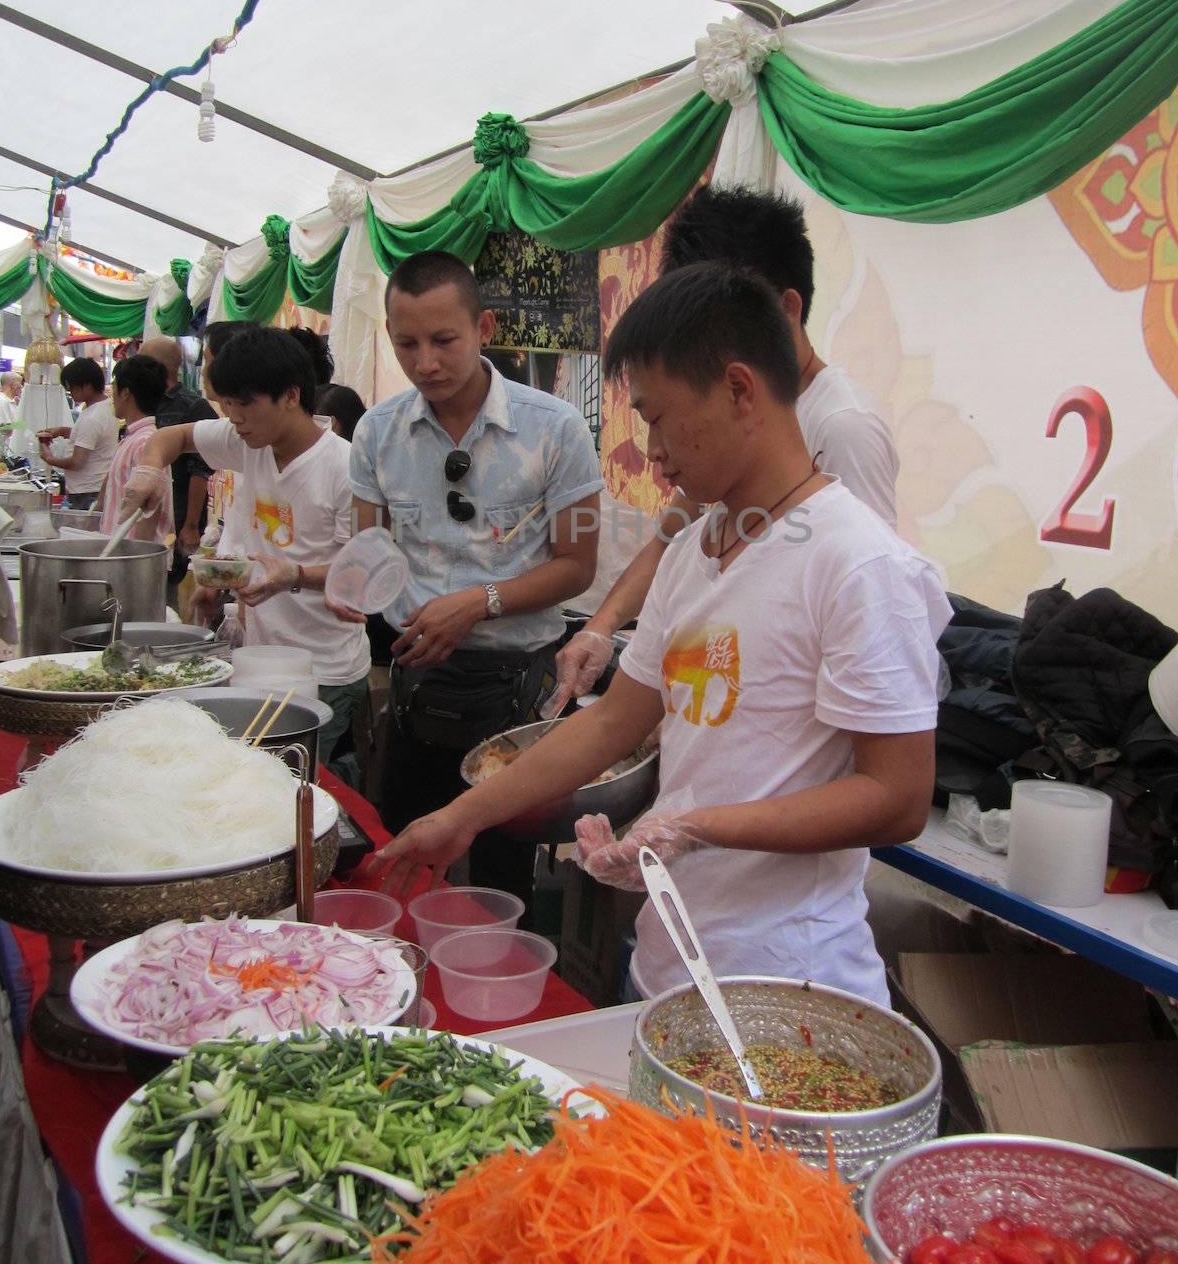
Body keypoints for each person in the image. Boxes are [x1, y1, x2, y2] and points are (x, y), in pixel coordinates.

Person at [374, 261, 950, 1006]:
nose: (650, 449)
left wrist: (696, 825)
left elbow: (898, 797)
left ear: (740, 390)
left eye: (656, 415)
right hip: (667, 964)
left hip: (790, 984)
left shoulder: (859, 564)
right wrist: (460, 819)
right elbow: (615, 720)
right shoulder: (695, 550)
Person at [553, 182, 901, 708]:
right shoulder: (719, 434)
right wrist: (602, 626)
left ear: (785, 310)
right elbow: (675, 533)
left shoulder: (842, 427)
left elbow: (867, 609)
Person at [347, 251, 602, 913]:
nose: (425, 362)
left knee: (496, 885)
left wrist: (477, 602)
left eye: (444, 340)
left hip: (516, 690)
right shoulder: (377, 434)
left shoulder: (554, 430)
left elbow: (578, 565)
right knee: (404, 861)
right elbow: (369, 549)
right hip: (419, 682)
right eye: (406, 344)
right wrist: (353, 585)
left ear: (484, 327)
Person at [117, 326, 371, 762]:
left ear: (290, 396)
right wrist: (149, 470)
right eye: (226, 404)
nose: (233, 417)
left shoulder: (344, 468)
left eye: (243, 404)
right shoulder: (249, 441)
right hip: (257, 660)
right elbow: (170, 437)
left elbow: (363, 572)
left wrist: (293, 576)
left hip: (324, 667)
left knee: (297, 781)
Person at [138, 336, 218, 569]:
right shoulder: (147, 402)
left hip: (180, 513)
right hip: (149, 514)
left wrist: (191, 525)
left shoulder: (192, 406)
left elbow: (201, 470)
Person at [100, 354, 174, 542]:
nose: (111, 396)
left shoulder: (146, 442)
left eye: (114, 388)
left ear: (125, 393)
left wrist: (136, 559)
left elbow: (149, 513)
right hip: (119, 553)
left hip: (129, 557)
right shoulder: (133, 438)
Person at [37, 358, 120, 510]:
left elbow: (77, 462)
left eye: (72, 389)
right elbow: (92, 440)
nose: (71, 393)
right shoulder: (105, 406)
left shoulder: (92, 417)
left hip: (87, 491)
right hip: (96, 486)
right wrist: (64, 431)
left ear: (87, 385)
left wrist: (50, 458)